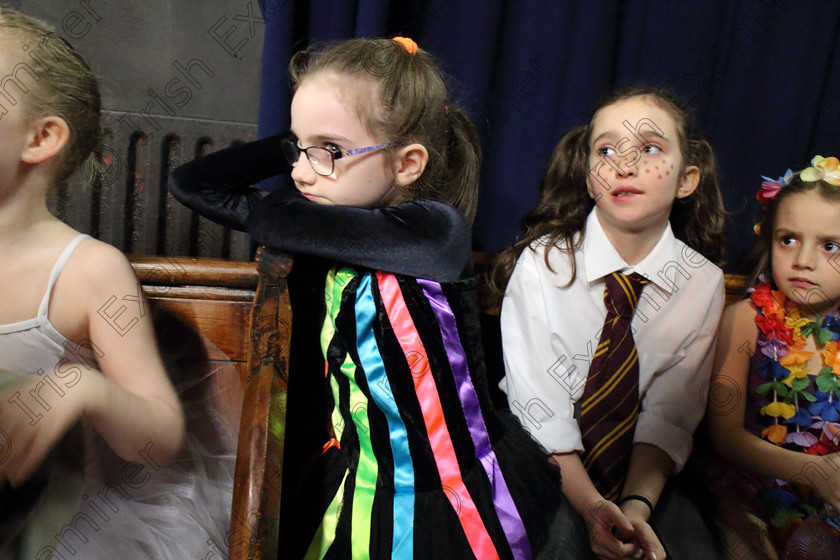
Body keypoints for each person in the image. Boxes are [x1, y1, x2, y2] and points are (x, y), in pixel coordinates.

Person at [170, 36, 562, 559]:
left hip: (442, 496)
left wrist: (308, 137)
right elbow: (193, 183)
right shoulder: (332, 212)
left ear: (407, 165)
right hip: (363, 477)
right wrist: (309, 134)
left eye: (330, 151)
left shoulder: (431, 232)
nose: (301, 171)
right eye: (297, 149)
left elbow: (206, 190)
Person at [0, 9, 235, 559]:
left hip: (52, 530)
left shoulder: (87, 271)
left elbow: (158, 437)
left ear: (40, 137)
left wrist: (85, 388)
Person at [491, 86, 727, 559]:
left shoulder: (702, 282)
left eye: (650, 149)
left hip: (640, 474)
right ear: (588, 176)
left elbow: (669, 416)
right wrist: (593, 506)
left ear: (687, 179)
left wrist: (636, 508)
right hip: (542, 461)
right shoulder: (543, 264)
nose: (623, 164)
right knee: (558, 546)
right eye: (605, 151)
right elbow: (541, 412)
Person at [708, 156, 840, 559]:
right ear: (769, 240)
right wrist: (811, 472)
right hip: (751, 493)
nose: (803, 260)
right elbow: (724, 436)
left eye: (830, 246)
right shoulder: (745, 322)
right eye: (789, 239)